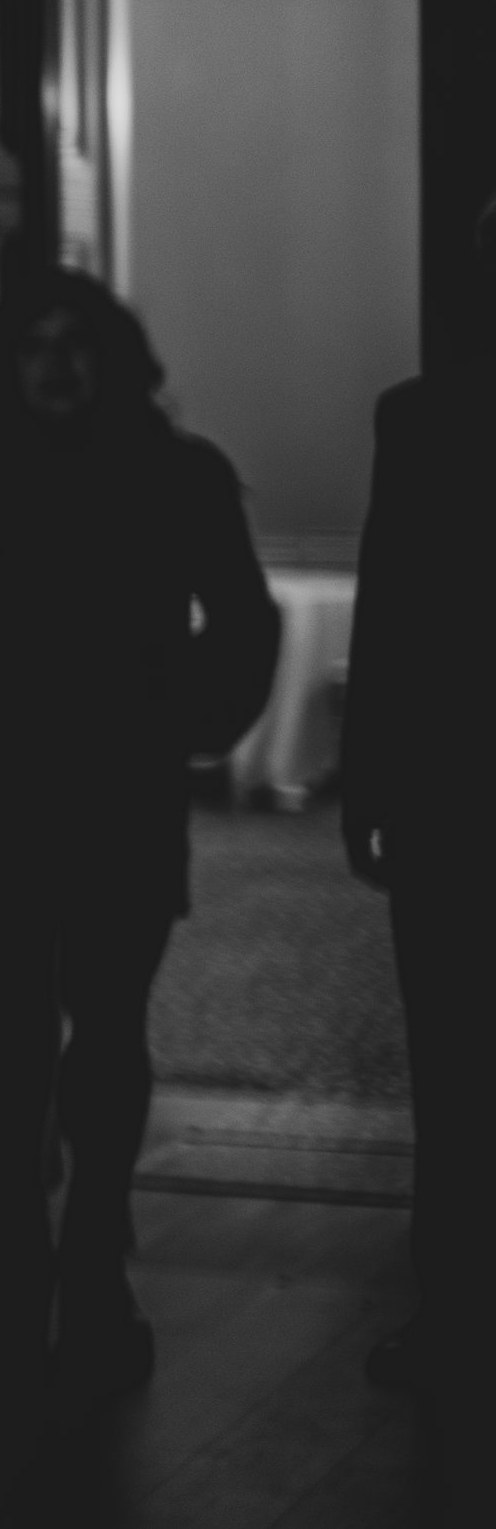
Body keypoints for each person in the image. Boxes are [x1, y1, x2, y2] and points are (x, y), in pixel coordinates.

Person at [0, 267, 279, 1396]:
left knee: (107, 1040)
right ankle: (24, 1264)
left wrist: (185, 720)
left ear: (112, 356)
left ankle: (88, 1252)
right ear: (7, 359)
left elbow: (243, 621)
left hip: (121, 802)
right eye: (34, 343)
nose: (56, 363)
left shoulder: (178, 474)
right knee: (0, 1049)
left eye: (74, 342)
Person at [341, 195, 496, 1403]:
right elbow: (385, 606)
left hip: (446, 780)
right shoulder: (421, 415)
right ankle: (452, 1306)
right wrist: (368, 776)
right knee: (445, 1066)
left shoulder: (423, 414)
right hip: (449, 788)